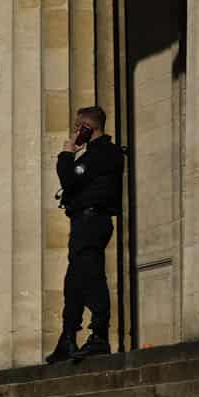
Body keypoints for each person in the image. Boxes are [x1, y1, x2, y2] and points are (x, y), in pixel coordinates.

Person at [47, 106, 125, 363]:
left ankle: (99, 335)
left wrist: (67, 153)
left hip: (93, 221)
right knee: (74, 282)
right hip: (84, 221)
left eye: (77, 126)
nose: (74, 132)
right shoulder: (93, 155)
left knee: (91, 276)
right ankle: (67, 337)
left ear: (85, 127)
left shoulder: (105, 153)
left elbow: (69, 179)